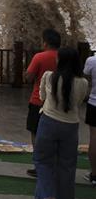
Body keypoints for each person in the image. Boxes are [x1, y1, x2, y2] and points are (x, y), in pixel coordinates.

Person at [33, 46, 89, 199]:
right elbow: (79, 102)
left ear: (60, 60)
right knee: (67, 164)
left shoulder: (49, 76)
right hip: (71, 125)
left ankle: (49, 196)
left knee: (42, 160)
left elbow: (42, 97)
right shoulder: (83, 82)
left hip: (49, 121)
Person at [25, 28, 61, 177]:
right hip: (59, 101)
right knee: (55, 134)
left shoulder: (39, 57)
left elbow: (29, 77)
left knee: (36, 133)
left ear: (45, 42)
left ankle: (39, 164)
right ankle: (55, 164)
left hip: (38, 100)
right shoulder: (64, 57)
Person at [83, 53, 96, 185]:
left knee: (94, 137)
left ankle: (95, 174)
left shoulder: (92, 61)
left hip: (94, 103)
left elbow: (86, 80)